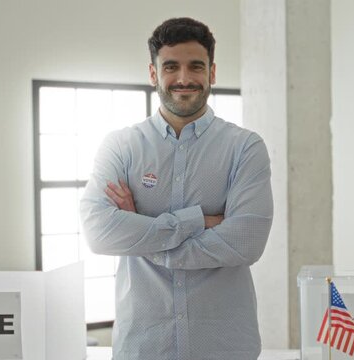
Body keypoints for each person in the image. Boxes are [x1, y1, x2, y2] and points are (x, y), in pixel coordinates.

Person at [79, 17, 273, 360]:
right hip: (143, 348)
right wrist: (198, 220)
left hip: (225, 349)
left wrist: (141, 233)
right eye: (171, 67)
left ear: (212, 73)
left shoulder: (245, 148)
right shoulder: (121, 147)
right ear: (154, 74)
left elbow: (246, 242)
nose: (184, 78)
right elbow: (99, 233)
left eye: (195, 66)